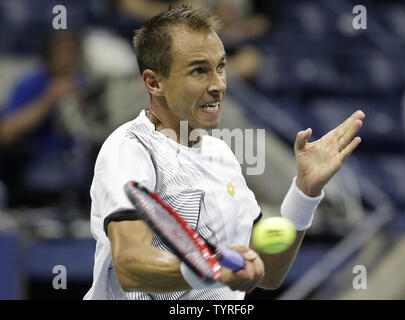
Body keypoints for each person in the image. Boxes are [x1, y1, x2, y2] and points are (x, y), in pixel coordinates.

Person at [84, 5, 365, 300]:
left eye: (220, 67)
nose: (218, 84)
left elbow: (267, 273)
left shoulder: (222, 155)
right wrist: (212, 269)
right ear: (154, 83)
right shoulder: (128, 148)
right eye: (198, 71)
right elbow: (130, 267)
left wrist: (305, 192)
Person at [0, 31, 92, 209]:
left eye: (74, 52)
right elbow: (6, 132)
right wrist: (49, 100)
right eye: (63, 52)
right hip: (38, 164)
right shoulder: (31, 83)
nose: (69, 58)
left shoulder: (85, 83)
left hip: (81, 163)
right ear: (49, 55)